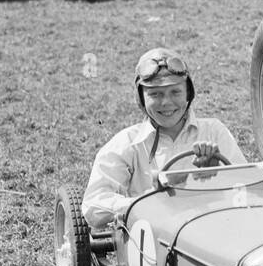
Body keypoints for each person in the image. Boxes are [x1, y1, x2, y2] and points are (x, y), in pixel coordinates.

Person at [81, 49, 246, 231]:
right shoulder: (128, 143)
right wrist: (145, 204)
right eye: (155, 94)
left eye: (175, 92)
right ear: (141, 98)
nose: (166, 102)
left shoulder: (214, 132)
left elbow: (247, 188)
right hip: (153, 241)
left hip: (212, 229)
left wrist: (217, 174)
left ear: (188, 94)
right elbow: (93, 206)